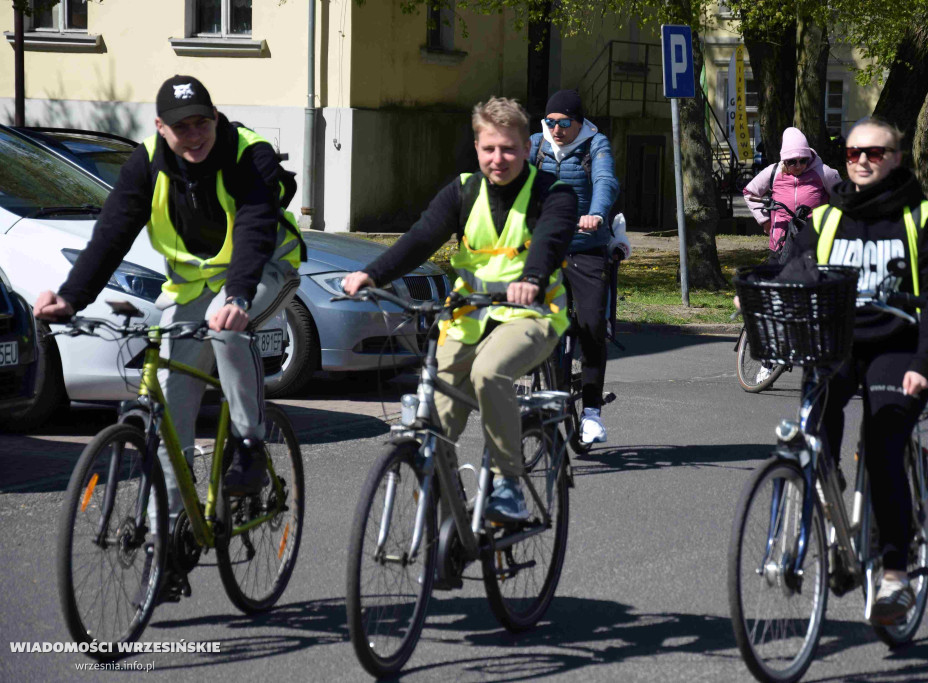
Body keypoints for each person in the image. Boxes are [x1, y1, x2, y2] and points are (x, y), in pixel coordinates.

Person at [34, 75, 305, 593]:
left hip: (263, 269)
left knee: (228, 330)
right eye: (181, 126)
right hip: (190, 289)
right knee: (167, 419)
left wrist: (240, 295)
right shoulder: (146, 164)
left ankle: (249, 446)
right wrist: (74, 296)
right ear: (160, 128)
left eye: (202, 120)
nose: (194, 133)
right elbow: (113, 229)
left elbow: (253, 227)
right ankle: (170, 544)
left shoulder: (248, 154)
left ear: (215, 117)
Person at [343, 97, 576, 522]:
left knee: (490, 372)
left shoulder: (552, 194)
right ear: (477, 148)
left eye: (508, 148)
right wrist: (372, 274)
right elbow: (420, 237)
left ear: (528, 148)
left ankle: (508, 485)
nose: (498, 158)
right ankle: (446, 522)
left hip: (532, 313)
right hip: (468, 316)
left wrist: (532, 281)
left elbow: (550, 241)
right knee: (437, 422)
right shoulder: (464, 190)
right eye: (489, 149)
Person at [791, 117, 928, 625]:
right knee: (811, 430)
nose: (862, 160)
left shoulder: (921, 218)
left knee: (884, 442)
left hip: (898, 348)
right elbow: (796, 266)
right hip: (838, 344)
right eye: (853, 152)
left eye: (875, 153)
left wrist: (926, 364)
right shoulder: (825, 217)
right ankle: (833, 502)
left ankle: (894, 572)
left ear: (897, 158)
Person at [528, 89, 620, 445]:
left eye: (564, 123)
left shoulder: (595, 145)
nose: (556, 129)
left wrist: (597, 214)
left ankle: (592, 413)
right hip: (547, 247)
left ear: (579, 123)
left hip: (586, 247)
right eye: (550, 122)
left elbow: (605, 181)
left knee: (592, 324)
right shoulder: (536, 144)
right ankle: (544, 385)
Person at [742, 126, 841, 264]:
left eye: (803, 160)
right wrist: (764, 220)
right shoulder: (774, 172)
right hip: (780, 242)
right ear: (784, 160)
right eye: (792, 161)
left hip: (815, 240)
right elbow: (749, 192)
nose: (799, 166)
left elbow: (842, 198)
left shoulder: (824, 172)